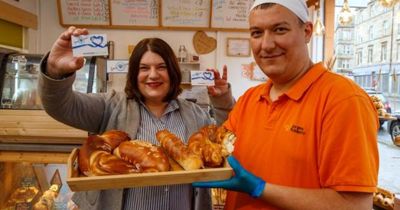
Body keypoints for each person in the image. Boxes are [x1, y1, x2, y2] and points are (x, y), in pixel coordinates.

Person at [193, 0, 379, 209]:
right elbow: (219, 150)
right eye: (256, 33)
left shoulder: (343, 101)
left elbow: (355, 206)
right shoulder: (250, 99)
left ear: (307, 31)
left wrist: (261, 189)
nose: (266, 44)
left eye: (279, 29)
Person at [38, 26, 235, 210]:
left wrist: (221, 99)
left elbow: (225, 134)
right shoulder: (111, 106)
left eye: (161, 67)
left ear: (173, 72)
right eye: (144, 68)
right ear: (134, 73)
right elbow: (61, 106)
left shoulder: (194, 113)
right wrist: (55, 70)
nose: (153, 75)